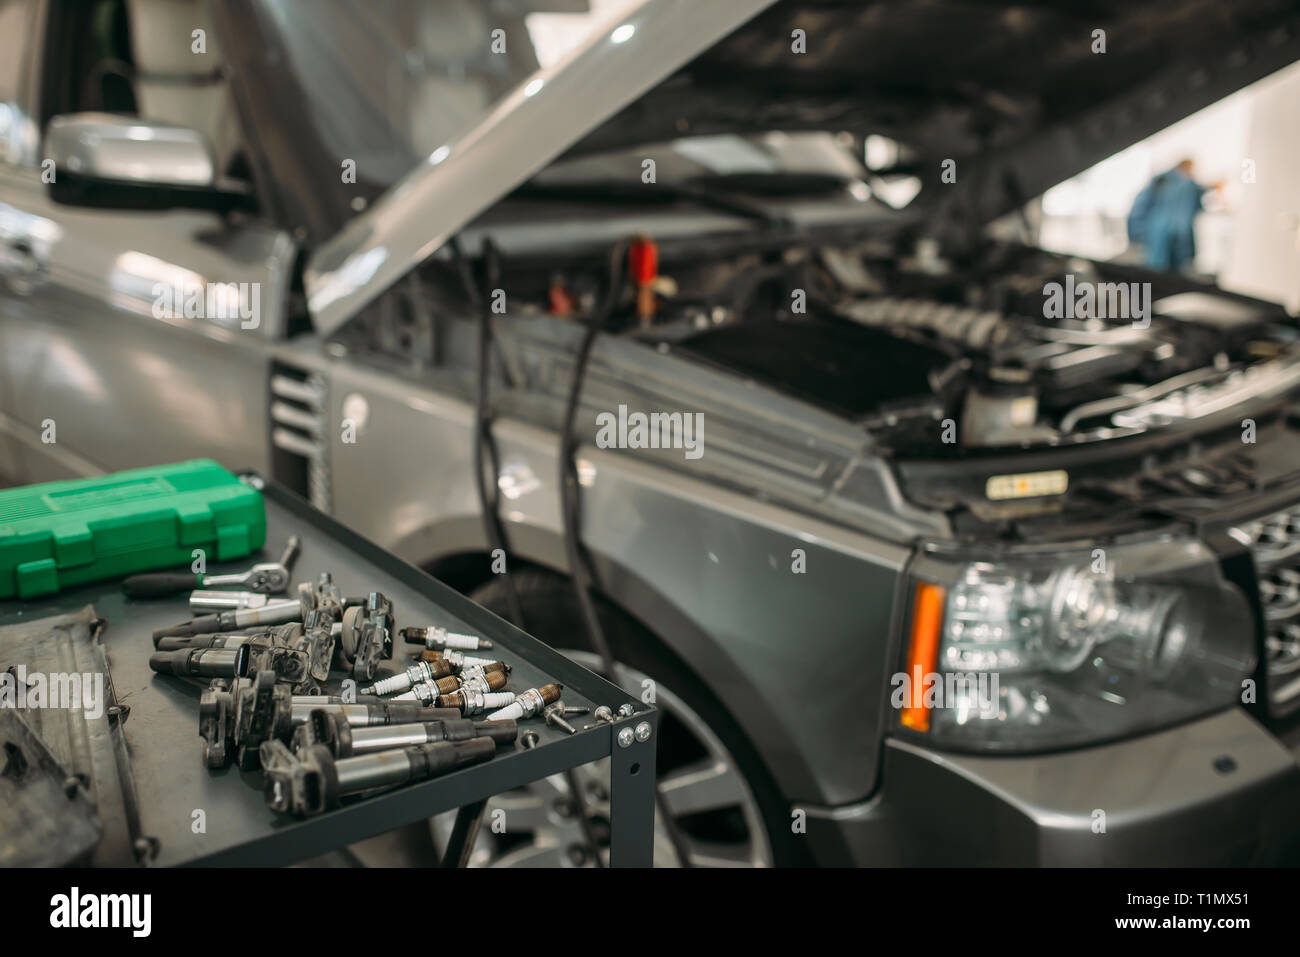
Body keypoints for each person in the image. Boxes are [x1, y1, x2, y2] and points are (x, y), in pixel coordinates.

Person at [1126, 159, 1214, 272]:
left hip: (1174, 238)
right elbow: (1139, 209)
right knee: (1158, 269)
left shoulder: (1187, 186)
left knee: (1168, 270)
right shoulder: (1163, 181)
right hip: (1161, 236)